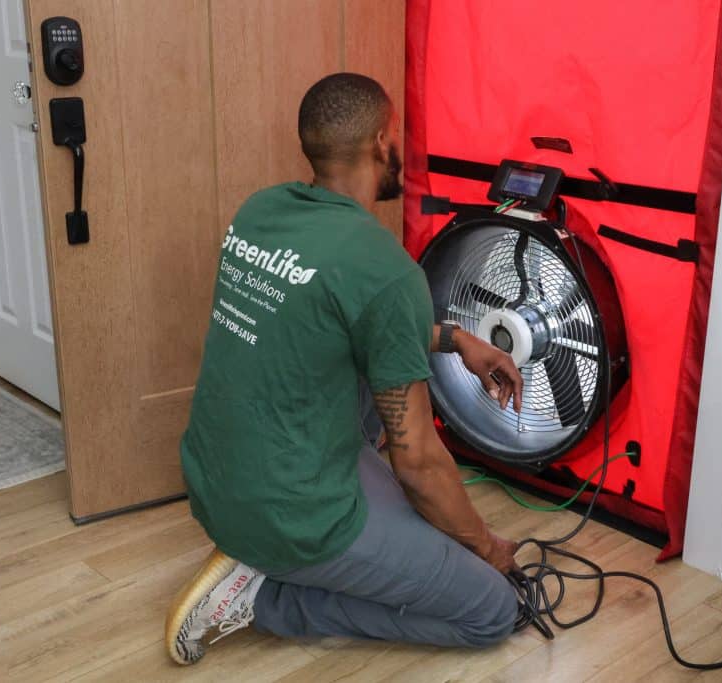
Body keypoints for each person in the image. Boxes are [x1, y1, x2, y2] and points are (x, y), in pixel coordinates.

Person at [165, 73, 525, 666]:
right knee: (490, 611)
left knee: (365, 367)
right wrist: (485, 547)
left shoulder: (262, 211)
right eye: (400, 136)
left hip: (214, 481)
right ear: (382, 142)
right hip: (289, 514)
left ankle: (278, 551)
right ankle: (268, 599)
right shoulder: (384, 269)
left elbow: (329, 320)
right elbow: (418, 466)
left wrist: (457, 338)